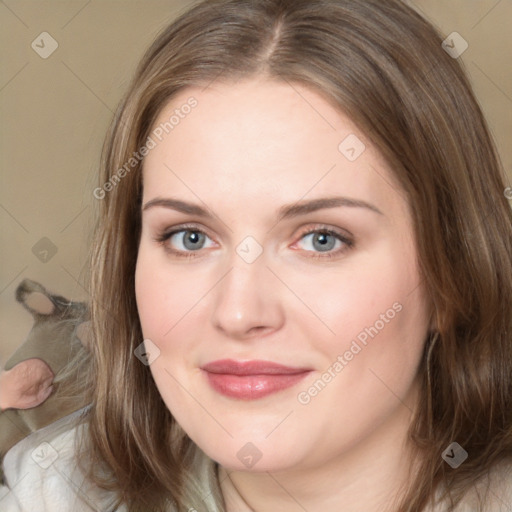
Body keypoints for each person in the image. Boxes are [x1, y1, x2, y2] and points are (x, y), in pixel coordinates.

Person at [2, 0, 512, 510]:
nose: (239, 312)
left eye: (321, 239)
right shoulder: (45, 493)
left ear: (455, 276)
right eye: (190, 237)